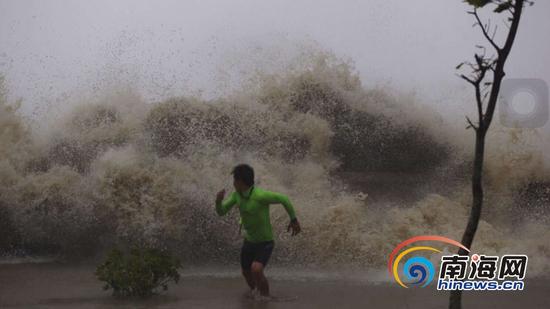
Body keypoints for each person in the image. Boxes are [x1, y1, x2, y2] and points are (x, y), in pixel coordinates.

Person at [215, 164, 301, 298]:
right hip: (249, 241)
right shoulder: (236, 196)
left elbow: (284, 199)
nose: (233, 183)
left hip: (265, 242)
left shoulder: (260, 195)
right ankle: (256, 293)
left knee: (256, 269)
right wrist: (218, 201)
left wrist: (294, 220)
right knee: (246, 272)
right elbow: (221, 212)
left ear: (240, 181)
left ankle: (266, 297)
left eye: (234, 180)